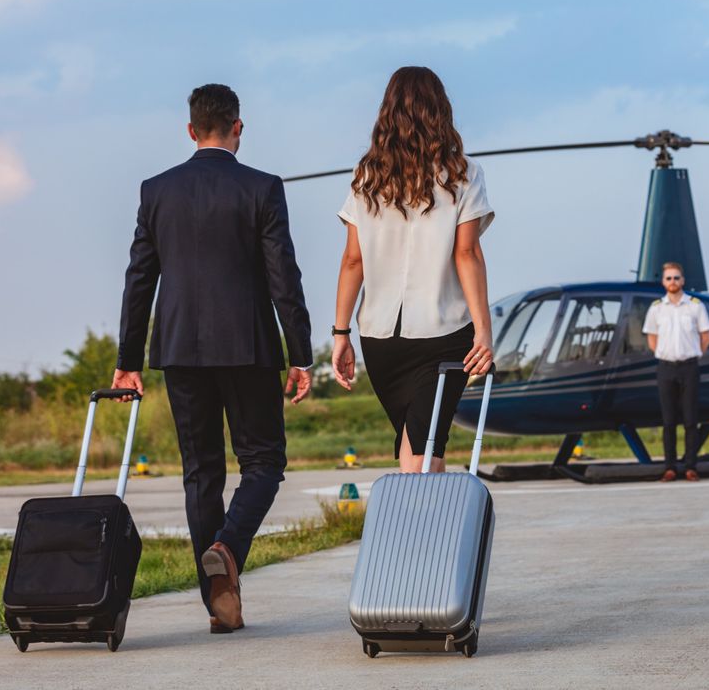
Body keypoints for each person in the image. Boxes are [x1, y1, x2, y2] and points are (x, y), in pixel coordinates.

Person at [111, 84, 313, 634]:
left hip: (179, 349)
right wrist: (300, 354)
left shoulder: (157, 190)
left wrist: (129, 358)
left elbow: (139, 279)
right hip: (249, 348)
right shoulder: (262, 187)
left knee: (200, 473)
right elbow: (283, 276)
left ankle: (218, 604)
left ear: (190, 130)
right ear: (237, 127)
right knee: (264, 462)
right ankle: (228, 547)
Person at [331, 67, 494, 473]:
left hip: (380, 337)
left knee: (416, 444)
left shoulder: (366, 176)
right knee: (424, 451)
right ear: (441, 110)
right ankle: (424, 516)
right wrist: (483, 330)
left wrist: (340, 333)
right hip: (444, 331)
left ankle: (418, 515)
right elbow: (467, 254)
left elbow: (353, 260)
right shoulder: (464, 173)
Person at [642, 262, 709, 482]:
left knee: (690, 419)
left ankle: (691, 467)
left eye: (676, 278)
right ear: (663, 282)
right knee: (668, 420)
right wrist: (664, 354)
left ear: (683, 281)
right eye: (668, 278)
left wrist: (695, 354)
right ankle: (670, 467)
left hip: (689, 367)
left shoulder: (695, 306)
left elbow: (706, 336)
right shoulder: (656, 308)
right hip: (666, 368)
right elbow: (651, 338)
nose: (672, 282)